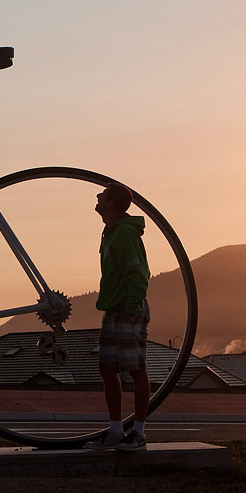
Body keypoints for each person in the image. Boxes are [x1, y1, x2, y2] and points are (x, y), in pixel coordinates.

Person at [84, 182, 151, 452]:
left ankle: (138, 433)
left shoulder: (124, 234)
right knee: (108, 369)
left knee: (136, 369)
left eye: (102, 195)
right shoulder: (110, 232)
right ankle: (114, 430)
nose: (98, 197)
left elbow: (139, 273)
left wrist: (133, 307)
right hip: (114, 308)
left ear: (111, 203)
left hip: (127, 307)